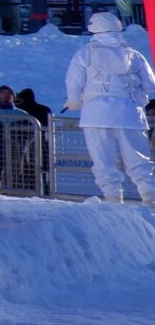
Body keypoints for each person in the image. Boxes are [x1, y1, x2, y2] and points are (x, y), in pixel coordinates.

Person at [62, 11, 155, 204]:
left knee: (104, 161)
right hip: (130, 115)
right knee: (139, 161)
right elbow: (151, 85)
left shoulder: (85, 53)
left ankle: (113, 198)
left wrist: (74, 101)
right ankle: (150, 196)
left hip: (95, 115)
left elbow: (73, 82)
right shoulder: (133, 55)